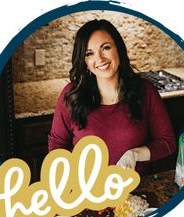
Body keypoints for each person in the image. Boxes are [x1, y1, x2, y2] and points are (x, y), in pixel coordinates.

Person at [48, 19, 176, 176]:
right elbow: (57, 146)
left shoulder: (145, 91)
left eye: (106, 48)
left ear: (118, 50)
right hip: (84, 192)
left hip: (133, 192)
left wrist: (134, 154)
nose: (100, 59)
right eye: (89, 53)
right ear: (84, 61)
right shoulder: (71, 96)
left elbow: (167, 142)